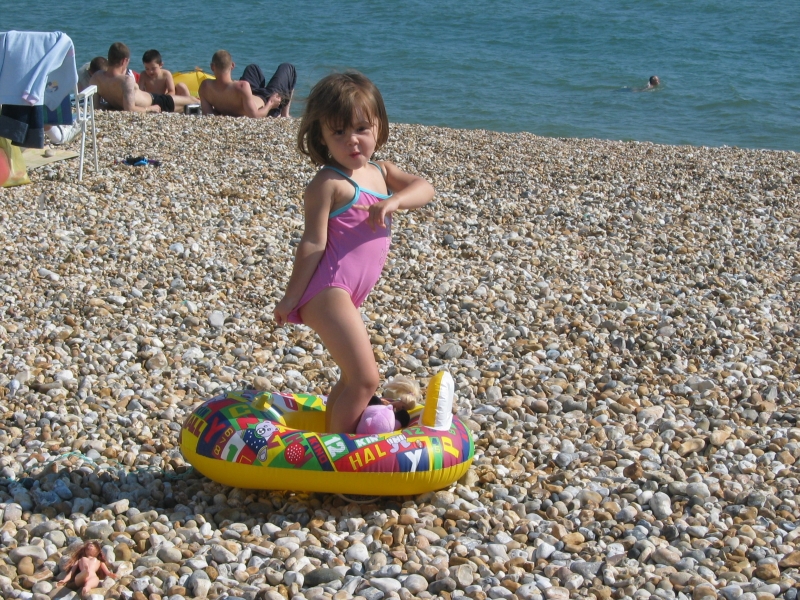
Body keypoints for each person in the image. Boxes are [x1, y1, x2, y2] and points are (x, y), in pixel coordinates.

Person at [273, 72, 435, 433]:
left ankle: (331, 437)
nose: (352, 140)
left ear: (379, 126)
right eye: (339, 132)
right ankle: (339, 454)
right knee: (365, 379)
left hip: (347, 292)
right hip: (328, 291)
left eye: (362, 128)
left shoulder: (382, 172)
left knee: (350, 378)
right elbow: (312, 243)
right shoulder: (328, 183)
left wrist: (395, 201)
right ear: (321, 137)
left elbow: (425, 188)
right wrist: (290, 298)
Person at [90, 42, 196, 113]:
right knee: (193, 101)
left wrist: (112, 107)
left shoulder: (96, 77)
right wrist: (150, 109)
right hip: (156, 101)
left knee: (190, 102)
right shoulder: (126, 80)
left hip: (155, 99)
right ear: (124, 61)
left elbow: (96, 106)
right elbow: (130, 109)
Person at [199, 50, 296, 118]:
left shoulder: (205, 86)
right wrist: (271, 104)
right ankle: (285, 114)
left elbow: (208, 114)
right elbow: (255, 116)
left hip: (248, 95)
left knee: (252, 68)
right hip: (265, 100)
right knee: (288, 67)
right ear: (232, 65)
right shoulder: (241, 86)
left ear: (212, 67)